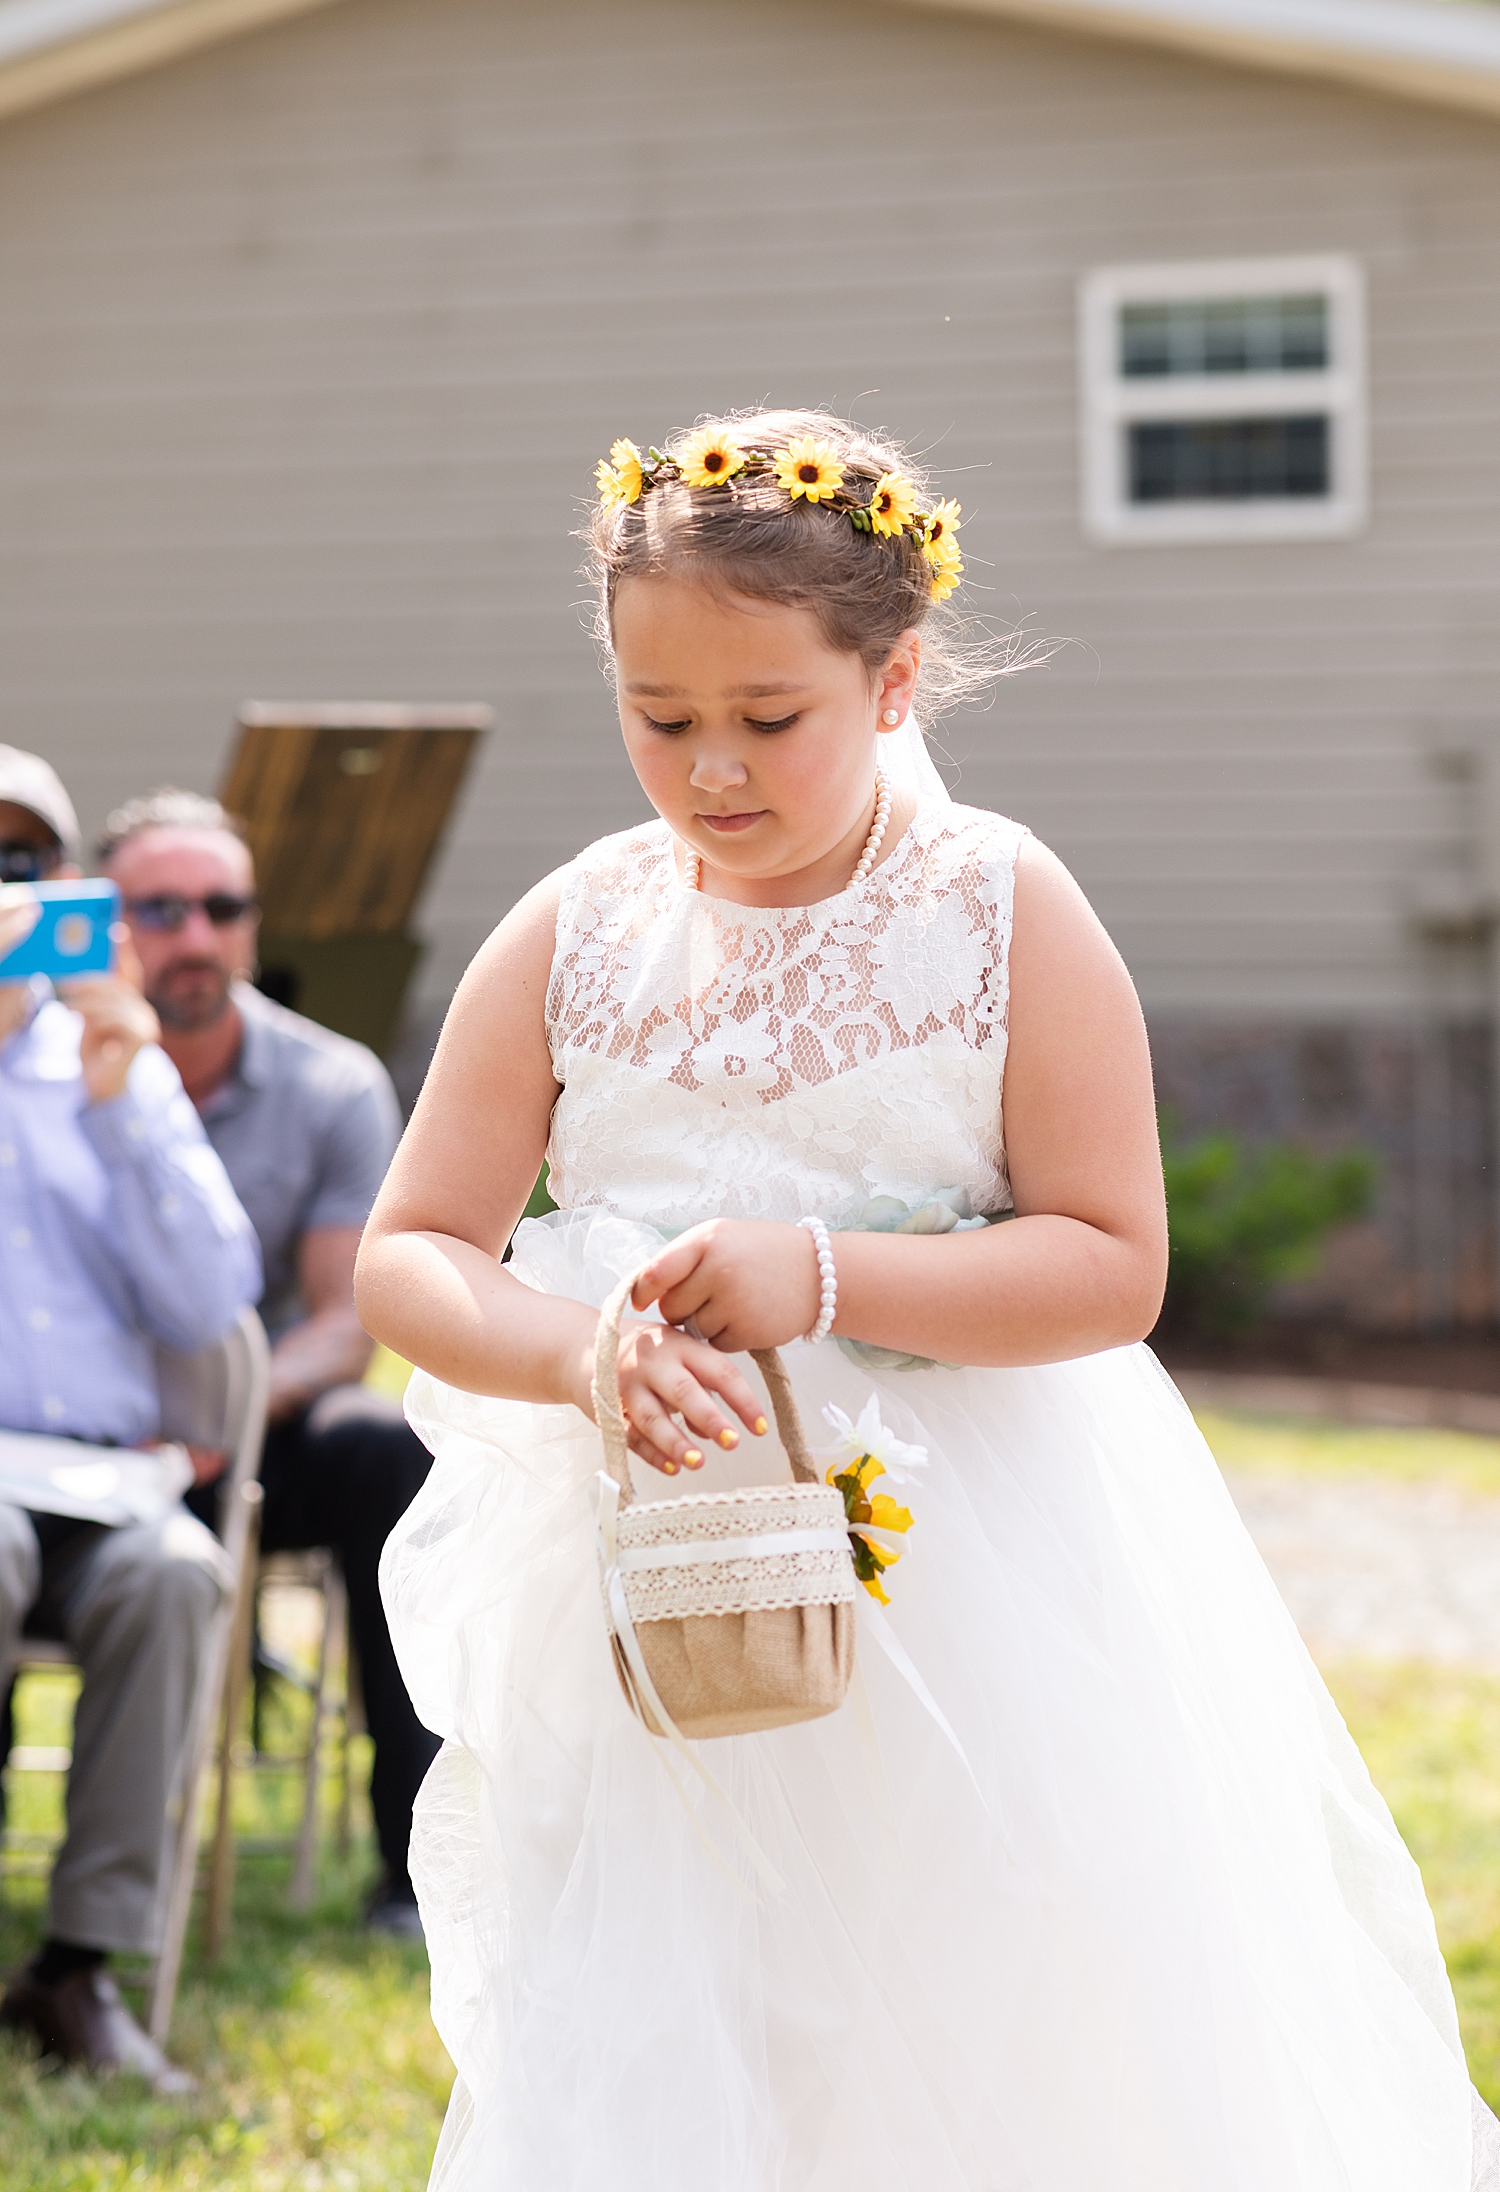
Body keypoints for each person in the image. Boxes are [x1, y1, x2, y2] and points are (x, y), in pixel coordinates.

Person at [356, 411, 1500, 2192]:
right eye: (659, 722)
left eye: (765, 719)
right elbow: (413, 1245)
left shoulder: (997, 909)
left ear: (892, 683)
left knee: (993, 1977)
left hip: (982, 1578)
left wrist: (822, 1273)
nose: (710, 770)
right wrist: (580, 1353)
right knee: (693, 1992)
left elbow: (1115, 1260)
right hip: (666, 1570)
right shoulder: (576, 929)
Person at [96, 789, 439, 1937]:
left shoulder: (330, 1082)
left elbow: (350, 1322)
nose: (194, 936)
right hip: (74, 1432)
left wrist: (224, 1416)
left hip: (258, 1431)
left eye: (221, 907)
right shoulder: (35, 1064)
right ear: (107, 920)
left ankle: (414, 1870)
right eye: (160, 908)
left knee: (387, 1446)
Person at [0, 747, 262, 2092]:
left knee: (177, 1571)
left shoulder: (118, 1064)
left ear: (62, 887)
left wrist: (118, 1097)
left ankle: (81, 1967)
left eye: (23, 862)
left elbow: (215, 1297)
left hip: (102, 1483)